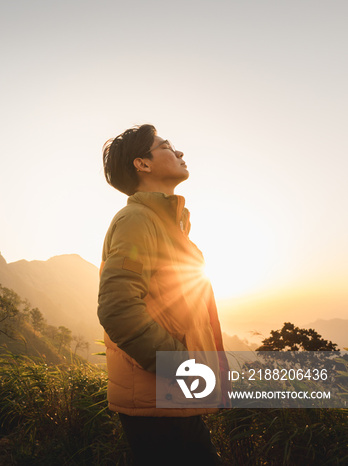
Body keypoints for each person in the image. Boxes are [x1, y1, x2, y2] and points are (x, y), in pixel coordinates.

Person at [98, 124, 227, 465]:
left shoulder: (170, 226)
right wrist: (181, 367)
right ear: (143, 164)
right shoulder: (137, 220)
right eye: (167, 146)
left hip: (173, 396)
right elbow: (118, 309)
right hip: (158, 398)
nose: (180, 152)